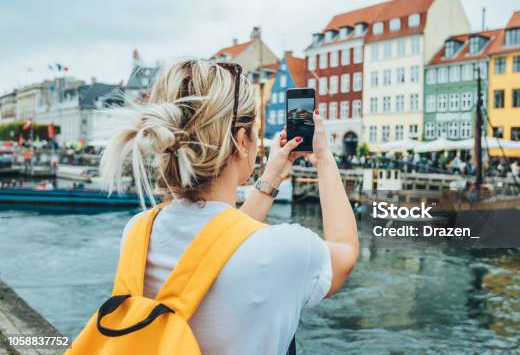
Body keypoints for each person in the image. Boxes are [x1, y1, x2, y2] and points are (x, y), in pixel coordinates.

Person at [99, 60, 359, 354]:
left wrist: (271, 176)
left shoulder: (138, 232)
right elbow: (345, 253)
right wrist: (323, 157)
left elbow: (216, 250)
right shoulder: (282, 250)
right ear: (240, 141)